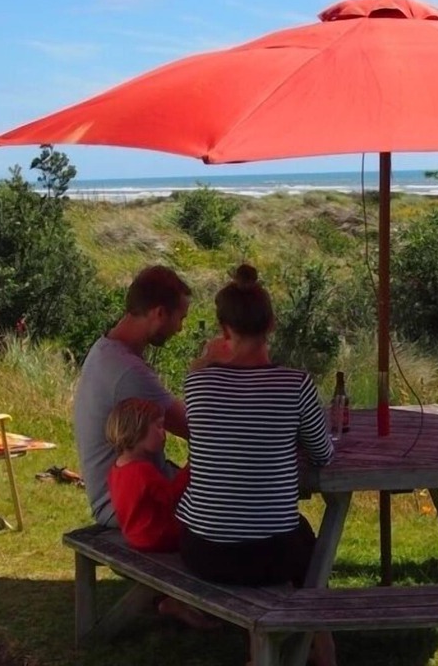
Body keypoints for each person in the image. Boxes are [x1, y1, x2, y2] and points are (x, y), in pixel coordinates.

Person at [175, 264, 336, 666]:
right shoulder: (295, 384)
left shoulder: (198, 383)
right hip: (270, 555)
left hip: (202, 550)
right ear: (273, 325)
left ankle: (273, 650)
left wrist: (205, 358)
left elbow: (209, 409)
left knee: (289, 534)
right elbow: (324, 454)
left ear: (223, 329)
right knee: (306, 540)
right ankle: (323, 648)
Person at [72, 265, 194, 528]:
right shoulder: (127, 371)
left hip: (125, 493)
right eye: (180, 319)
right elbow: (193, 428)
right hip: (129, 506)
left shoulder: (105, 349)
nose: (180, 329)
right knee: (237, 505)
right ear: (159, 313)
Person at [104, 397, 215, 630]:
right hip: (158, 538)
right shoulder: (143, 471)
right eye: (158, 426)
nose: (163, 433)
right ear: (137, 430)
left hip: (134, 536)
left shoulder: (117, 468)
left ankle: (173, 603)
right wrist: (191, 468)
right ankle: (200, 601)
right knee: (206, 537)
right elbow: (171, 496)